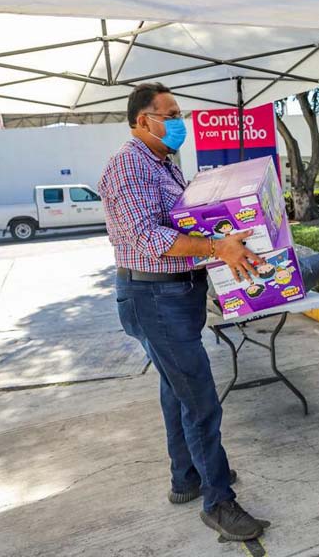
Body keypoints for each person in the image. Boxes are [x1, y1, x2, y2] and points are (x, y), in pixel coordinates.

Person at [98, 82, 266, 541]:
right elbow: (148, 238)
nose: (178, 122)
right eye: (168, 114)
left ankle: (186, 478)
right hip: (154, 296)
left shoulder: (163, 164)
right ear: (141, 121)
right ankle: (218, 501)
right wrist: (218, 247)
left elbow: (185, 219)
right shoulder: (128, 166)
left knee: (176, 389)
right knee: (199, 399)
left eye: (179, 114)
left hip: (174, 293)